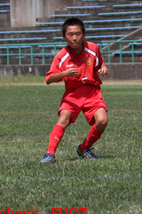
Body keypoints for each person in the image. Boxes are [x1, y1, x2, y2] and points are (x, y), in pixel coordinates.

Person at [40, 17, 109, 163]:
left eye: (77, 34)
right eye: (70, 34)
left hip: (92, 92)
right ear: (64, 37)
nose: (74, 38)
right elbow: (49, 78)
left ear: (83, 34)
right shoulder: (61, 56)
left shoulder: (93, 48)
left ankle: (84, 148)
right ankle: (50, 154)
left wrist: (102, 67)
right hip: (73, 94)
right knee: (63, 119)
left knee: (102, 121)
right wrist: (64, 74)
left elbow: (99, 61)